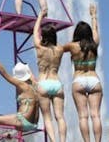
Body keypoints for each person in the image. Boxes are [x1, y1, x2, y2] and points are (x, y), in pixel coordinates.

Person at [63, 4, 102, 142]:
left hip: (78, 80)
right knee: (96, 115)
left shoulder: (72, 46)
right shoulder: (94, 43)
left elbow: (56, 49)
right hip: (94, 79)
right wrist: (93, 16)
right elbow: (96, 30)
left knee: (83, 116)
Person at [33, 9, 66, 142]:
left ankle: (53, 140)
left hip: (43, 83)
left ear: (43, 36)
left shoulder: (40, 48)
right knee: (60, 117)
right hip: (56, 83)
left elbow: (35, 32)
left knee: (47, 117)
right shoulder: (60, 49)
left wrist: (40, 16)